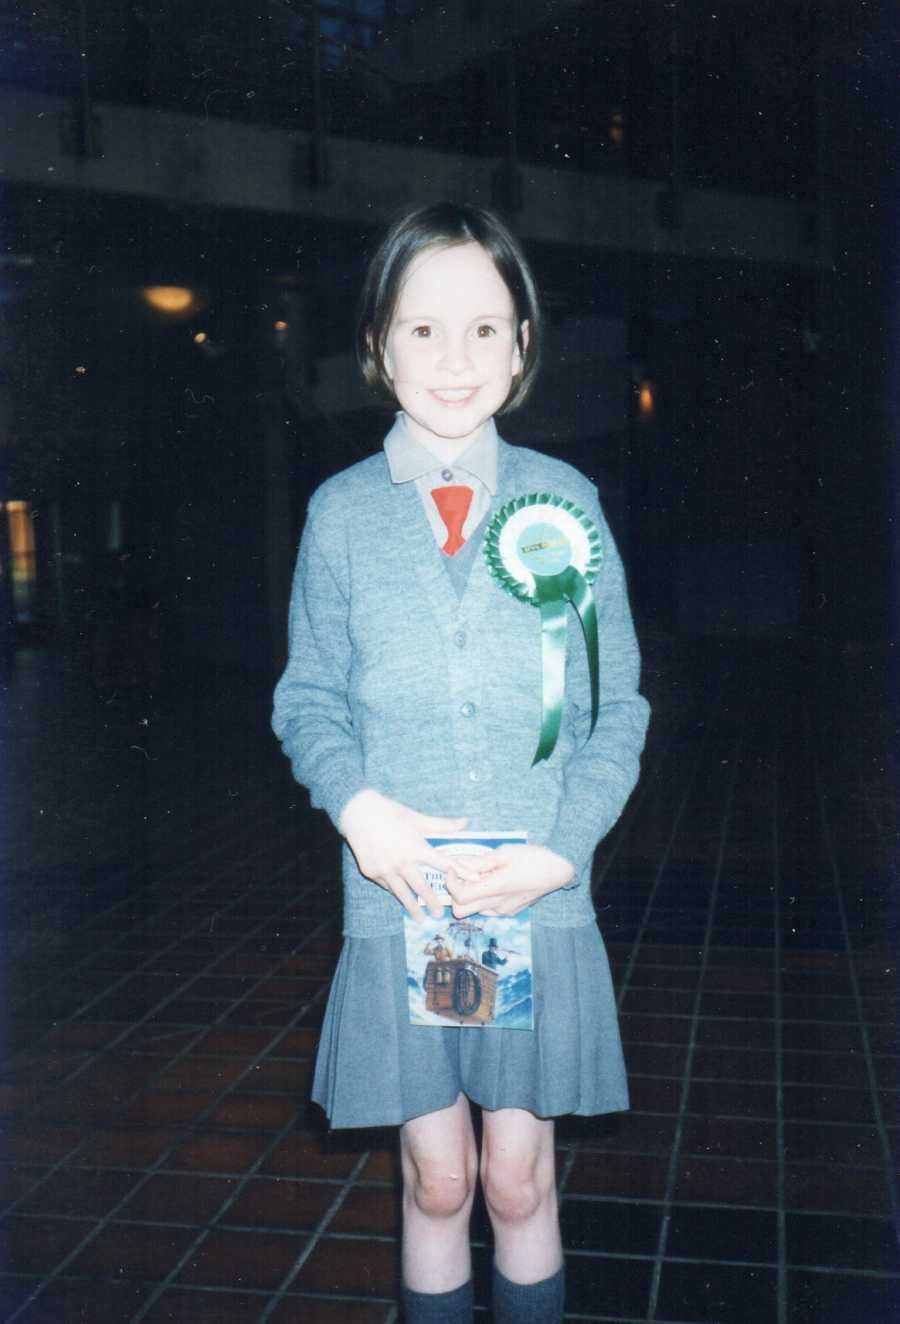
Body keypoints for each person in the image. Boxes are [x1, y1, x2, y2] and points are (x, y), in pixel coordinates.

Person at [272, 202, 650, 1324]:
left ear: (525, 345)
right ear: (378, 344)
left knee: (518, 1176)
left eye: (487, 328)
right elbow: (308, 699)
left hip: (532, 896)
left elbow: (613, 709)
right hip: (406, 901)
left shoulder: (564, 505)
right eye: (423, 329)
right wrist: (359, 812)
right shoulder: (340, 517)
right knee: (437, 1181)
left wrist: (560, 853)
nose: (455, 358)